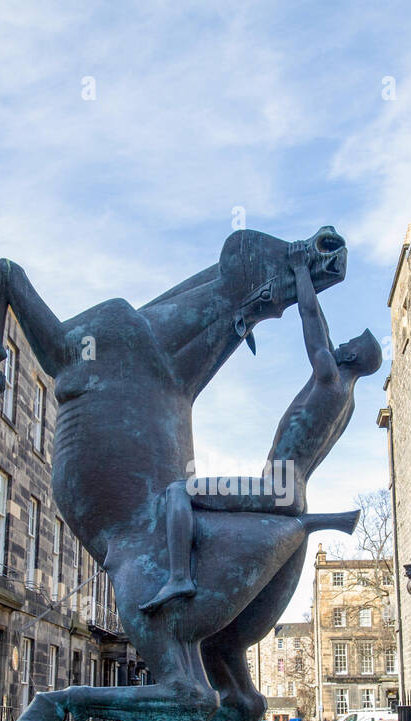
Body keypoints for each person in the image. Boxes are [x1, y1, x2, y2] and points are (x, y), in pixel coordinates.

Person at [141, 241, 383, 613]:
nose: (341, 344)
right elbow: (323, 330)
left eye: (347, 343)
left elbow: (311, 320)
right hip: (293, 489)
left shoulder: (329, 378)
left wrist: (302, 269)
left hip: (276, 488)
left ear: (351, 355)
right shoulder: (346, 401)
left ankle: (179, 577)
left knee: (178, 492)